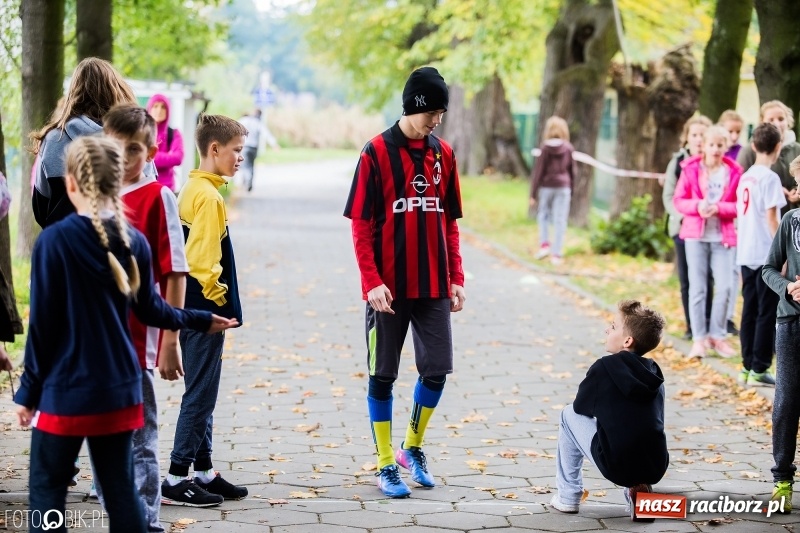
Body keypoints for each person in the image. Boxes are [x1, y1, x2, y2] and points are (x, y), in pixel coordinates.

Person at [13, 136, 238, 532]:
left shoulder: (53, 242)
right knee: (121, 493)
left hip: (66, 391)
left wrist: (28, 393)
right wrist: (200, 319)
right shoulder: (134, 241)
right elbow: (151, 309)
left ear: (70, 184)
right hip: (120, 388)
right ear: (117, 182)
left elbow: (42, 329)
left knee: (46, 491)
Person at [343, 66, 466, 499]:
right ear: (414, 106)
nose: (437, 119)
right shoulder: (374, 153)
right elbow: (360, 226)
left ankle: (411, 448)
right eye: (432, 110)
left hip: (433, 284)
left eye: (442, 112)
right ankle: (383, 462)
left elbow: (449, 221)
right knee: (383, 374)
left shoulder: (443, 155)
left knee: (437, 369)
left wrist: (456, 276)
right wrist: (371, 281)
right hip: (387, 292)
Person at [103, 104, 189, 530]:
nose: (123, 157)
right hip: (94, 340)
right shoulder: (95, 197)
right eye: (115, 147)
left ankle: (146, 521)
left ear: (153, 151)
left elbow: (175, 271)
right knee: (103, 434)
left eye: (134, 149)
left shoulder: (160, 198)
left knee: (140, 436)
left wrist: (171, 339)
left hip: (138, 342)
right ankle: (119, 511)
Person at [162, 114, 247, 506]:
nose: (240, 158)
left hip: (192, 307)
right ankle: (178, 476)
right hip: (205, 309)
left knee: (203, 389)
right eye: (236, 151)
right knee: (200, 395)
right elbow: (201, 261)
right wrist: (219, 299)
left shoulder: (193, 187)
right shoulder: (209, 197)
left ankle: (204, 471)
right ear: (214, 150)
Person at [549, 300, 668, 522]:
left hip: (616, 463)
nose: (607, 329)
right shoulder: (655, 373)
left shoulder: (604, 367)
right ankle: (639, 491)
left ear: (627, 341)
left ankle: (568, 496)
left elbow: (580, 408)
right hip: (655, 464)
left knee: (567, 414)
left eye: (613, 326)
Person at [31, 57, 137, 228]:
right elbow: (148, 192)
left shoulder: (53, 139)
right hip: (122, 243)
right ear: (117, 89)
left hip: (64, 244)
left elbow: (40, 208)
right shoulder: (134, 140)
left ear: (73, 92)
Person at [673, 125, 742, 359]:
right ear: (704, 145)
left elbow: (739, 206)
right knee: (698, 288)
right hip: (695, 235)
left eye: (720, 145)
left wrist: (719, 208)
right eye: (711, 145)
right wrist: (697, 206)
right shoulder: (690, 168)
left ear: (726, 147)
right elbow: (679, 200)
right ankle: (699, 339)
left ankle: (718, 336)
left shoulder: (734, 172)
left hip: (722, 236)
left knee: (725, 287)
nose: (715, 149)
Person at [761, 155, 800, 513]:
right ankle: (782, 479)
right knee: (786, 402)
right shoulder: (790, 221)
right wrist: (787, 288)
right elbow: (768, 268)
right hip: (790, 323)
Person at [736, 123, 785, 387]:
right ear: (778, 147)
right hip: (765, 253)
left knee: (749, 310)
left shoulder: (746, 176)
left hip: (745, 252)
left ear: (754, 146)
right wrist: (784, 249)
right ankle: (759, 367)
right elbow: (771, 219)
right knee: (767, 311)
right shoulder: (770, 178)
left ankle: (745, 366)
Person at [662, 115, 713, 340]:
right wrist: (682, 217)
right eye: (694, 135)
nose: (699, 139)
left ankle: (708, 324)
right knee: (688, 279)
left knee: (707, 278)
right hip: (683, 228)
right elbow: (669, 195)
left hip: (710, 230)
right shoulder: (678, 162)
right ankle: (692, 325)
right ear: (687, 138)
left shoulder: (714, 163)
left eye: (703, 135)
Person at [738, 101, 800, 216]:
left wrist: (797, 191)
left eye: (781, 119)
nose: (776, 123)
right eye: (771, 119)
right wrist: (774, 190)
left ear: (788, 121)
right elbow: (741, 184)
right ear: (762, 122)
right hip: (762, 217)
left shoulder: (797, 149)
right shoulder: (749, 151)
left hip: (792, 215)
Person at [529, 116, 575, 266]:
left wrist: (533, 194)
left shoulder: (545, 148)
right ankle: (557, 253)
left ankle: (544, 245)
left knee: (543, 215)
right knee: (560, 219)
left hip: (547, 187)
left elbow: (538, 172)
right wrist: (571, 189)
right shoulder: (568, 148)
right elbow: (572, 171)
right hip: (563, 187)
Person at [146, 94, 185, 192]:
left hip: (166, 190)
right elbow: (139, 156)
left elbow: (178, 158)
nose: (159, 110)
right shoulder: (142, 132)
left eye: (163, 107)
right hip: (145, 187)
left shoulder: (174, 133)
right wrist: (168, 156)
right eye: (155, 106)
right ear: (149, 109)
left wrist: (149, 156)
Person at [237, 109, 279, 192]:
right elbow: (266, 133)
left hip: (244, 147)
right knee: (251, 166)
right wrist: (274, 144)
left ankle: (246, 181)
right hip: (254, 148)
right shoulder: (257, 122)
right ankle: (248, 182)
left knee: (245, 165)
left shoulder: (242, 121)